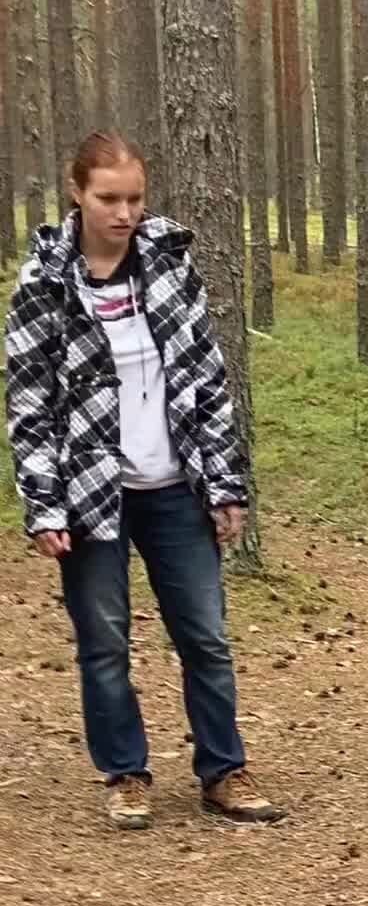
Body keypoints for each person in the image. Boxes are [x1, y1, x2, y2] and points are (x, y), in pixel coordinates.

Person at [4, 129, 281, 832]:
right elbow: (29, 400)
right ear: (77, 194)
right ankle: (125, 773)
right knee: (104, 641)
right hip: (89, 494)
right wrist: (44, 505)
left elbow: (206, 380)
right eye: (108, 198)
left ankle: (224, 769)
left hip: (175, 487)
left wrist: (225, 484)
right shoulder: (42, 285)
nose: (123, 212)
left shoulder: (168, 266)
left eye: (134, 198)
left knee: (206, 637)